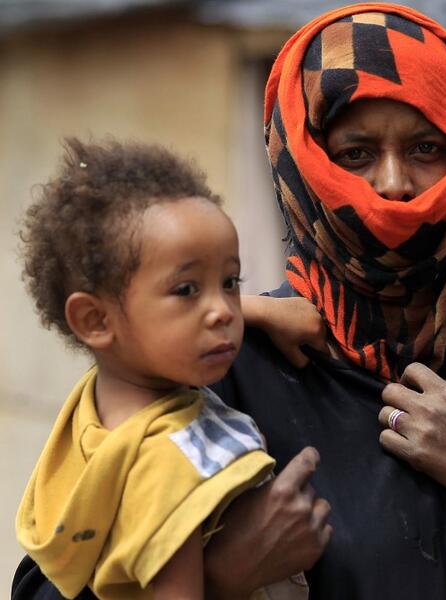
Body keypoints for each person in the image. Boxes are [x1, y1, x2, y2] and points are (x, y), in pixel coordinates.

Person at [13, 6, 446, 599]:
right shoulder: (216, 371)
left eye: (426, 149)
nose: (393, 184)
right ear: (298, 165)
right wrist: (220, 578)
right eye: (355, 153)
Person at [13, 138, 330, 599]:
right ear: (96, 320)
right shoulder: (173, 464)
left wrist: (259, 311)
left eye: (229, 282)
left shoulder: (103, 401)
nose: (222, 310)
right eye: (186, 290)